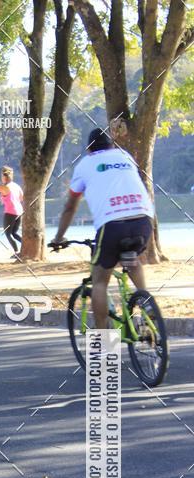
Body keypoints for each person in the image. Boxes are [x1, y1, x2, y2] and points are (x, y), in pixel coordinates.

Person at [52, 127, 154, 329]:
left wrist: (58, 238)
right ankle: (147, 305)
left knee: (99, 281)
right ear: (111, 145)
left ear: (89, 149)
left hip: (112, 224)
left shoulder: (85, 164)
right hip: (143, 220)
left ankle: (103, 340)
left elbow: (70, 206)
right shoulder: (124, 156)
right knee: (132, 259)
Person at [0, 166, 23, 257]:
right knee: (14, 233)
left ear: (4, 177)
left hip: (10, 212)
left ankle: (17, 252)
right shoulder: (16, 186)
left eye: (2, 176)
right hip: (19, 212)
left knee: (8, 233)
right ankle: (26, 245)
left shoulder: (6, 187)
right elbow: (21, 198)